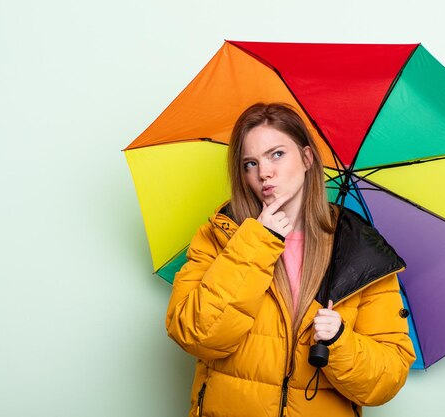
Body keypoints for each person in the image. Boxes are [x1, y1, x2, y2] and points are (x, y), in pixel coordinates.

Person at [165, 103, 416, 417]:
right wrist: (256, 243)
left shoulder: (360, 253)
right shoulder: (219, 237)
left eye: (277, 154)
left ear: (307, 158)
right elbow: (196, 335)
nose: (263, 173)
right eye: (249, 164)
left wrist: (339, 340)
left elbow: (386, 380)